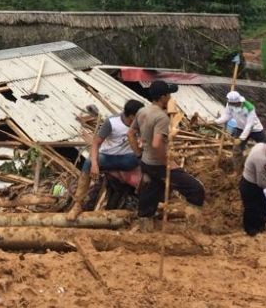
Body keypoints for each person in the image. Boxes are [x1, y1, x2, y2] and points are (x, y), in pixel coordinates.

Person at [128, 81, 205, 231]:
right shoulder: (161, 117)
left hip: (146, 161)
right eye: (169, 94)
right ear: (163, 97)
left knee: (151, 191)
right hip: (159, 164)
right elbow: (157, 144)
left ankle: (145, 227)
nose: (170, 97)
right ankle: (193, 230)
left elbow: (130, 133)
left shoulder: (142, 111)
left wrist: (139, 154)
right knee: (196, 190)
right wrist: (168, 163)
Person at [67, 100, 143, 218]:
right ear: (132, 116)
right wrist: (94, 165)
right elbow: (95, 144)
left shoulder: (141, 123)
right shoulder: (112, 122)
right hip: (108, 157)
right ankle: (77, 204)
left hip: (128, 159)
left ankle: (147, 207)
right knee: (88, 163)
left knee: (146, 167)